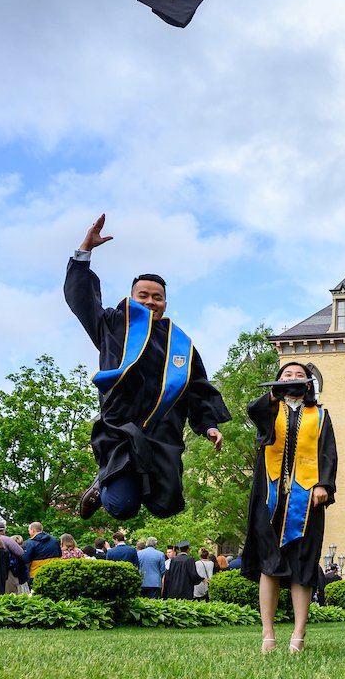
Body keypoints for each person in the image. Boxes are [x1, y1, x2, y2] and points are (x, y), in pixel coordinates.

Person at [65, 214, 231, 521]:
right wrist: (83, 253)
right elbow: (83, 301)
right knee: (123, 507)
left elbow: (197, 389)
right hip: (121, 430)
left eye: (158, 297)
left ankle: (131, 484)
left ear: (165, 303)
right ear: (133, 298)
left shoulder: (180, 344)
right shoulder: (114, 325)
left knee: (166, 507)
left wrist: (209, 426)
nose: (151, 301)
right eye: (144, 296)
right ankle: (103, 485)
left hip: (163, 433)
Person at [242, 362, 337, 654]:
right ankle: (268, 634)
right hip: (270, 498)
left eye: (298, 375)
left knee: (303, 565)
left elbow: (328, 452)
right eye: (286, 375)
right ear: (276, 383)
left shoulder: (320, 415)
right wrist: (274, 396)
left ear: (309, 383)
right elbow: (253, 411)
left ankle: (298, 635)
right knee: (269, 564)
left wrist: (324, 484)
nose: (293, 378)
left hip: (306, 500)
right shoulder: (269, 410)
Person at [0, 520, 24, 594]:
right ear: (2, 530)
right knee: (10, 594)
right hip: (6, 571)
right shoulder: (6, 540)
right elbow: (20, 552)